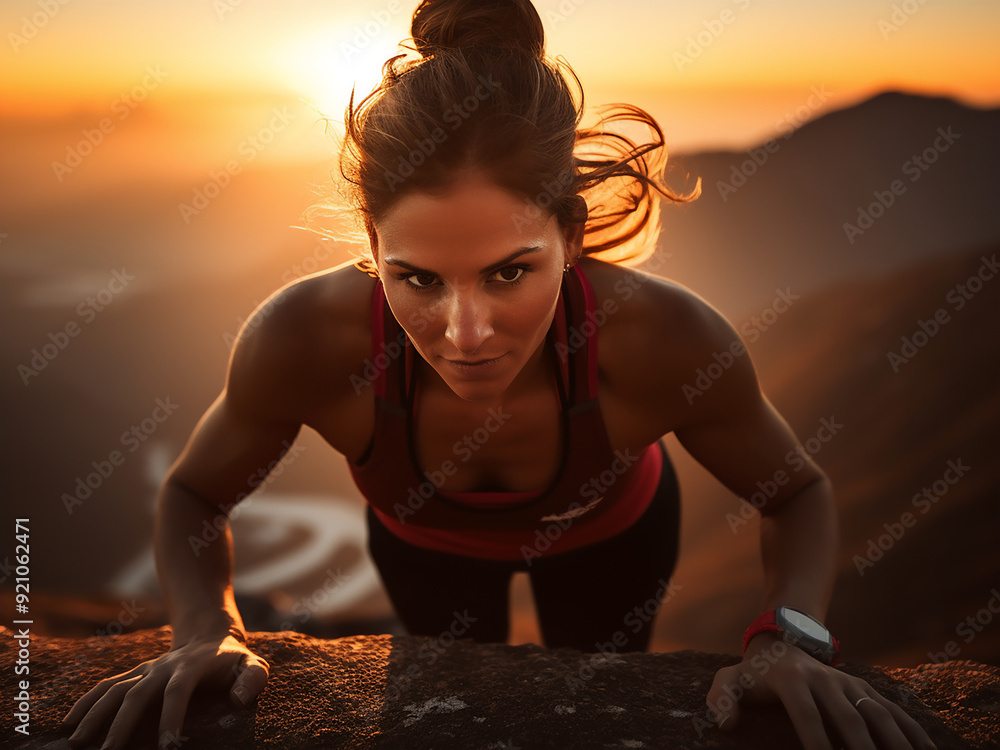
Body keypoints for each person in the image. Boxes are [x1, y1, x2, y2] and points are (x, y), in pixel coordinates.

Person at [63, 1, 935, 749]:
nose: (465, 333)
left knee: (597, 704)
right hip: (422, 550)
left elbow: (795, 492)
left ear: (572, 236)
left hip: (615, 549)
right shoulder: (301, 336)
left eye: (511, 272)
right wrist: (205, 632)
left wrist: (790, 638)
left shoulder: (665, 338)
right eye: (417, 278)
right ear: (370, 247)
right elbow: (194, 495)